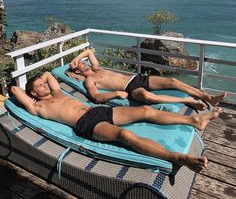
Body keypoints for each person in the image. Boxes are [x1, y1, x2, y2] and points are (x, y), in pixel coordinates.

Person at [11, 71, 222, 173]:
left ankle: (194, 120)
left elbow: (48, 74)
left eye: (43, 84)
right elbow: (14, 90)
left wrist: (42, 79)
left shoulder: (56, 91)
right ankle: (177, 157)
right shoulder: (38, 107)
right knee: (125, 135)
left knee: (146, 110)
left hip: (98, 110)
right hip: (86, 124)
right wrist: (30, 91)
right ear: (32, 93)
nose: (44, 86)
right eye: (39, 86)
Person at [68, 49, 227, 110]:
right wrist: (115, 94)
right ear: (77, 70)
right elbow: (96, 97)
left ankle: (208, 97)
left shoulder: (96, 68)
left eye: (83, 61)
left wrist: (76, 59)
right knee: (147, 97)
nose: (84, 62)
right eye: (81, 64)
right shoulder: (89, 81)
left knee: (173, 82)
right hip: (130, 89)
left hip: (137, 78)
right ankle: (188, 101)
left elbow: (88, 51)